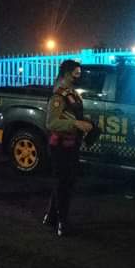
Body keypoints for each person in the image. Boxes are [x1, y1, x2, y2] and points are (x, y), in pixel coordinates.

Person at [43, 59, 93, 237]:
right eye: (76, 74)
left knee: (64, 182)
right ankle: (62, 223)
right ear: (66, 74)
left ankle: (51, 217)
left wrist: (86, 123)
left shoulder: (72, 93)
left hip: (72, 145)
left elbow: (74, 114)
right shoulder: (58, 96)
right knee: (64, 184)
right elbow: (51, 123)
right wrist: (76, 124)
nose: (79, 76)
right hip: (60, 147)